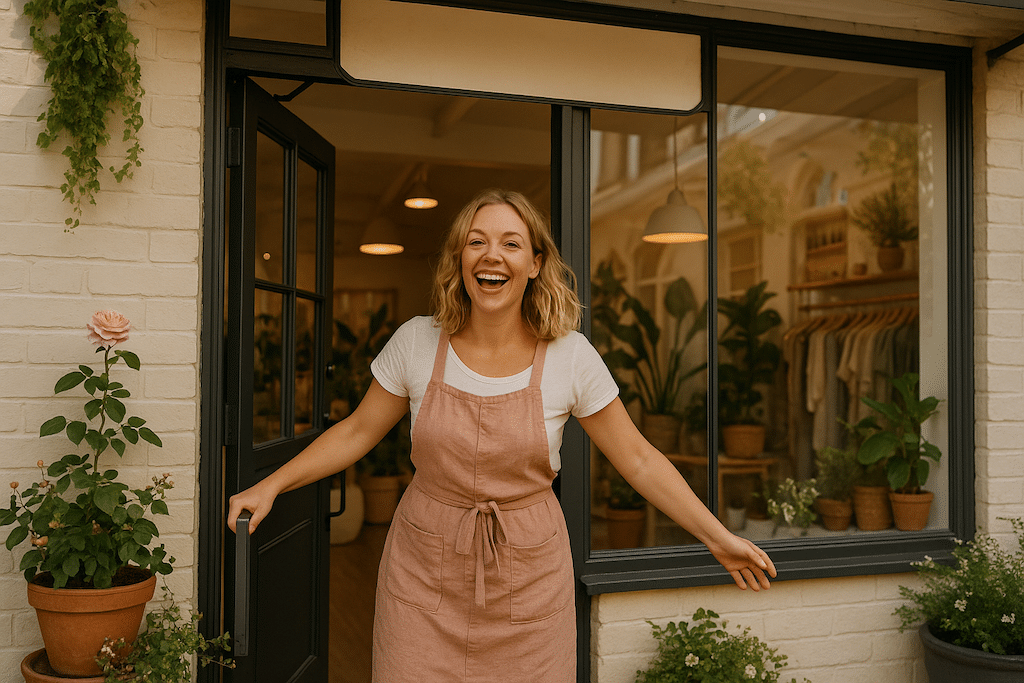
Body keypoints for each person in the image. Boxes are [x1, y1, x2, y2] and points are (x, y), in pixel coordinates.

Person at [227, 188, 777, 682]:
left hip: (530, 578)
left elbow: (637, 459)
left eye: (511, 244)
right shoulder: (418, 342)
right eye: (477, 242)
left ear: (535, 263)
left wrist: (715, 536)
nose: (492, 256)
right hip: (423, 573)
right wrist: (271, 485)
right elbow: (355, 433)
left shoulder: (571, 356)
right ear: (460, 260)